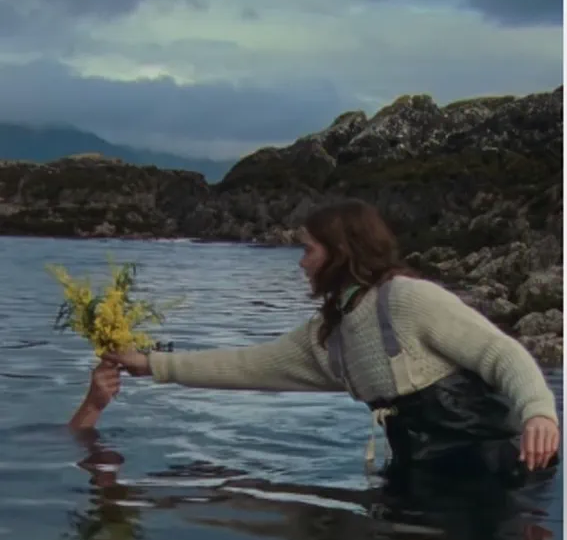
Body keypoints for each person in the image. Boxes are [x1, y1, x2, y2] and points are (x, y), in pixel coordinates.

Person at [70, 199, 560, 482]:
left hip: (506, 471)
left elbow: (503, 353)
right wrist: (148, 363)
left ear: (340, 253)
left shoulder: (408, 299)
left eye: (308, 250)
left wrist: (539, 412)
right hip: (425, 475)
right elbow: (246, 365)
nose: (301, 262)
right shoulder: (332, 333)